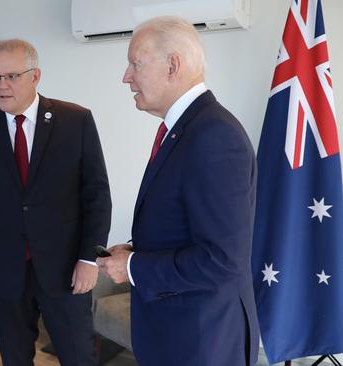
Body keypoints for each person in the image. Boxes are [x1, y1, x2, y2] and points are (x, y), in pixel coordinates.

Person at [97, 16, 259, 366]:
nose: (126, 77)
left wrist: (136, 267)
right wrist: (135, 250)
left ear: (173, 65)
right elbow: (187, 226)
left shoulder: (215, 136)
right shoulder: (187, 129)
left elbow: (222, 259)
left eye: (135, 64)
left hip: (202, 342)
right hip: (180, 336)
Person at [0, 39, 111, 365]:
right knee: (15, 359)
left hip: (66, 269)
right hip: (5, 272)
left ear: (35, 76)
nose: (2, 85)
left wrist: (88, 259)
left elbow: (97, 196)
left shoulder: (75, 121)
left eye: (11, 76)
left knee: (79, 356)